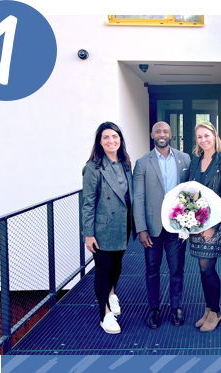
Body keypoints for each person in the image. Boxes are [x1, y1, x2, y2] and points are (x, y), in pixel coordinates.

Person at [133, 121, 191, 329]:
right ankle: (154, 310)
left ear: (171, 134)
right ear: (152, 134)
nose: (161, 134)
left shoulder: (185, 159)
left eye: (165, 131)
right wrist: (141, 228)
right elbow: (138, 197)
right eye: (158, 131)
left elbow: (191, 193)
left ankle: (176, 307)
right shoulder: (142, 163)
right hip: (152, 227)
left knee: (177, 269)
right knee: (152, 270)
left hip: (177, 227)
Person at [81, 121, 136, 334]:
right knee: (103, 270)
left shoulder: (125, 164)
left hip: (123, 225)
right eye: (106, 137)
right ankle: (104, 314)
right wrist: (88, 234)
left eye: (115, 136)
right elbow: (87, 203)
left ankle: (112, 294)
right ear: (100, 142)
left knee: (117, 265)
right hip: (103, 228)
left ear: (120, 139)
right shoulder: (93, 168)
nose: (111, 140)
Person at [188, 122, 221, 332]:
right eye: (199, 137)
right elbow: (189, 192)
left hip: (215, 224)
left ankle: (215, 311)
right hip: (196, 224)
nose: (203, 140)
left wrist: (213, 227)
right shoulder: (195, 162)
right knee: (202, 268)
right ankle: (209, 309)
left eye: (207, 135)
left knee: (208, 268)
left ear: (215, 136)